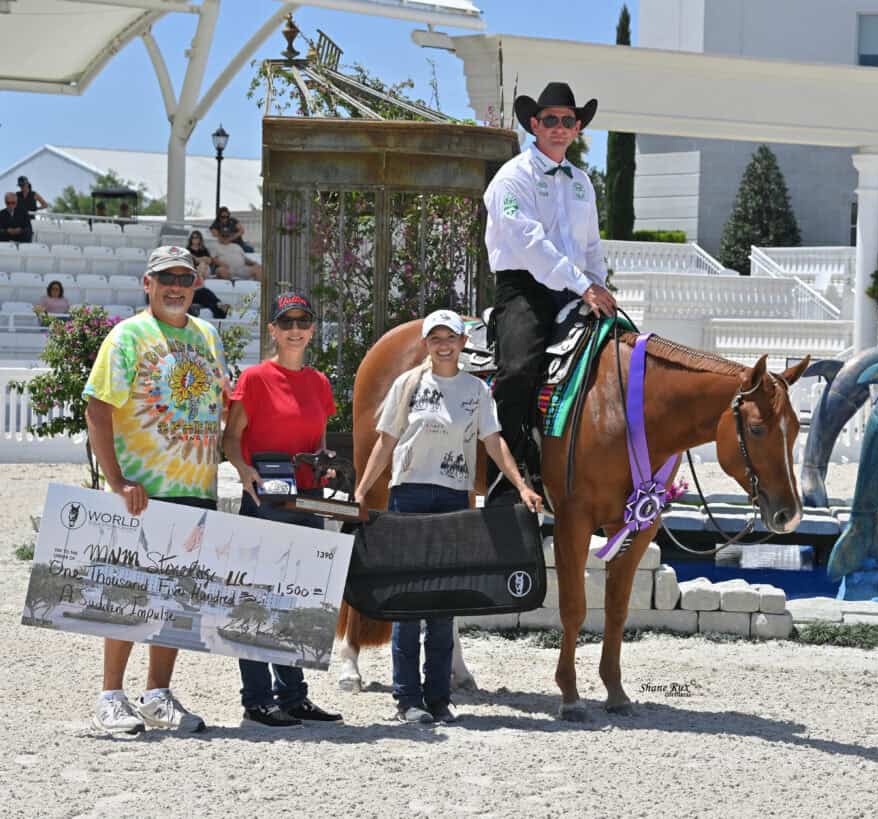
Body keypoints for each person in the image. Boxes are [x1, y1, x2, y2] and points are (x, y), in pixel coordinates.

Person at [354, 309, 544, 725]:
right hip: (409, 495)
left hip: (456, 498)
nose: (444, 344)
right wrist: (363, 488)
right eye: (436, 337)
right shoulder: (408, 385)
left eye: (451, 337)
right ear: (427, 343)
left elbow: (495, 443)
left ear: (462, 343)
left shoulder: (477, 391)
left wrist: (523, 485)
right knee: (406, 604)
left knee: (444, 603)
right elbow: (385, 442)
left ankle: (438, 697)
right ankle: (407, 697)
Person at [83, 245, 229, 736]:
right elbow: (98, 408)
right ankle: (110, 695)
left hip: (196, 486)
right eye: (165, 277)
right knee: (127, 594)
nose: (175, 286)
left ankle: (157, 694)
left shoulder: (208, 335)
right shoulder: (128, 335)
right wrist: (117, 479)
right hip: (143, 490)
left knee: (177, 598)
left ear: (195, 286)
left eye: (184, 279)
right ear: (147, 284)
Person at [482, 82, 617, 502]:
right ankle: (508, 476)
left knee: (623, 361)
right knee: (518, 370)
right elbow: (530, 244)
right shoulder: (512, 177)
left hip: (578, 289)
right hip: (525, 287)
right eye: (551, 120)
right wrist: (583, 285)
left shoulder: (582, 183)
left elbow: (592, 246)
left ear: (577, 129)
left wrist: (598, 286)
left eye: (568, 121)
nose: (559, 127)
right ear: (534, 125)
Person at [222, 292, 344, 729]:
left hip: (305, 501)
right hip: (265, 502)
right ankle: (256, 699)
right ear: (272, 330)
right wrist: (243, 470)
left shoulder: (320, 383)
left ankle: (292, 696)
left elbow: (318, 442)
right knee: (257, 601)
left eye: (302, 321)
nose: (295, 329)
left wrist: (326, 464)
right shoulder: (254, 379)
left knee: (296, 602)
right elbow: (231, 438)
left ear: (311, 330)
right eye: (286, 322)